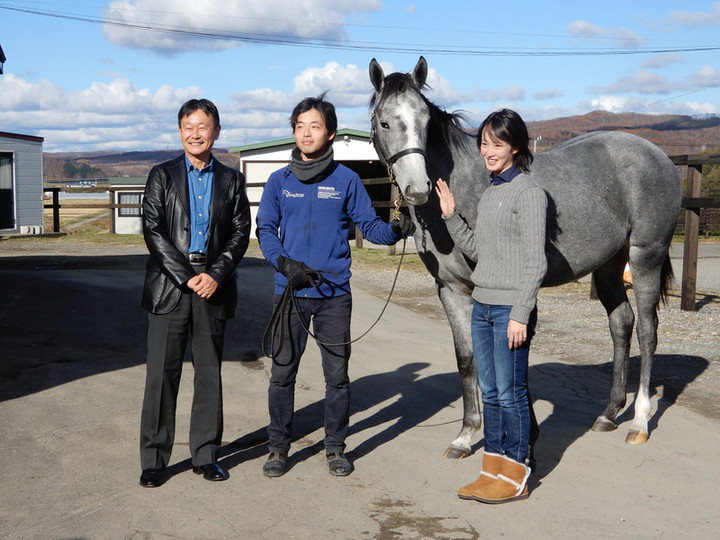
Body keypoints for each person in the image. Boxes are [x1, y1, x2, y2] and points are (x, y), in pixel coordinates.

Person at [256, 93, 415, 478]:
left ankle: (334, 448)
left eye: (315, 126)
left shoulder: (347, 180)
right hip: (290, 292)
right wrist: (284, 263)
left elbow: (371, 226)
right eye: (299, 126)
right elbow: (264, 229)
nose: (306, 132)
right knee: (281, 375)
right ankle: (278, 448)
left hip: (333, 296)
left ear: (330, 134)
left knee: (337, 378)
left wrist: (394, 230)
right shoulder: (279, 181)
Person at [435, 108, 547, 504]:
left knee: (511, 392)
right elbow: (480, 252)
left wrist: (520, 313)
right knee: (492, 392)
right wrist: (450, 217)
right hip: (482, 306)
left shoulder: (529, 193)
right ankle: (492, 468)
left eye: (497, 144)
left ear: (515, 146)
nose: (488, 151)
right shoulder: (491, 191)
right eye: (484, 143)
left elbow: (536, 262)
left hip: (508, 312)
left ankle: (515, 474)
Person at [138, 98, 251, 488]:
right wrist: (187, 275)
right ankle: (154, 460)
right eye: (188, 126)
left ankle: (206, 456)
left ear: (216, 131)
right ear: (180, 131)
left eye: (203, 126)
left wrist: (216, 274)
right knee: (161, 375)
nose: (195, 133)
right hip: (171, 285)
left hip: (213, 286)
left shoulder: (232, 179)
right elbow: (153, 231)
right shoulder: (162, 175)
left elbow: (240, 233)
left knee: (209, 374)